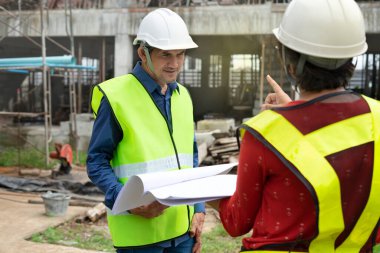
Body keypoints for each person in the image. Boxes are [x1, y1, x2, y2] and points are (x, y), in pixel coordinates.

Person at [209, 0, 380, 252]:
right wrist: (294, 113)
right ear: (352, 59)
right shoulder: (376, 117)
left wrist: (208, 195)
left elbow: (237, 221)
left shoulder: (264, 135)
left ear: (290, 62)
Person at [86, 8, 205, 253]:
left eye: (180, 54)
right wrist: (127, 201)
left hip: (183, 232)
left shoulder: (183, 97)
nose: (175, 64)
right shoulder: (116, 97)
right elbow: (96, 162)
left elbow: (190, 159)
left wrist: (199, 208)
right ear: (143, 53)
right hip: (139, 237)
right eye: (166, 55)